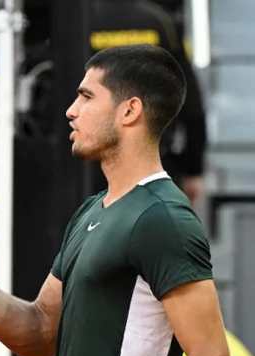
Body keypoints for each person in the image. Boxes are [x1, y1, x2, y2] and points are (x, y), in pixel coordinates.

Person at [0, 45, 233, 356]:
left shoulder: (163, 217)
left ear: (130, 111)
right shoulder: (91, 211)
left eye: (87, 97)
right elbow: (39, 333)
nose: (71, 111)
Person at [89, 0, 208, 204]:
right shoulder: (160, 21)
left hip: (91, 162)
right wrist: (193, 168)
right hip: (153, 157)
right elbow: (189, 98)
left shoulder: (82, 20)